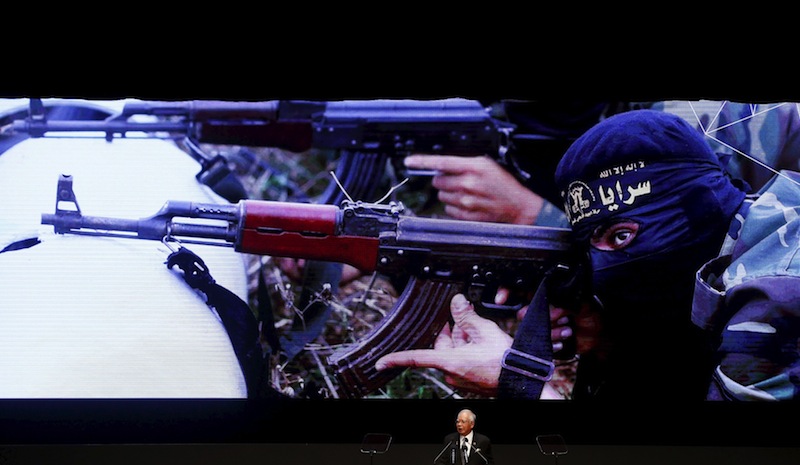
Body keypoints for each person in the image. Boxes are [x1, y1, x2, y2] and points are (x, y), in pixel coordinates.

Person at [377, 109, 800, 401]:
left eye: (620, 237)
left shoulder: (776, 288)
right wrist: (612, 346)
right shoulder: (730, 237)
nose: (605, 265)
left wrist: (520, 385)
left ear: (699, 204)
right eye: (590, 243)